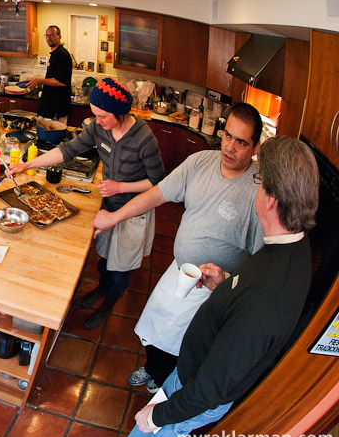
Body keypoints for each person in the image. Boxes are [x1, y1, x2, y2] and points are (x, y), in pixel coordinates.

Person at [126, 135, 319, 437]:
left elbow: (210, 390)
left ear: (270, 199)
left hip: (192, 391)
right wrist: (227, 281)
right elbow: (250, 303)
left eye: (260, 181)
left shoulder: (265, 297)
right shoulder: (292, 248)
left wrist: (157, 416)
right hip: (192, 371)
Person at [92, 103, 265, 392]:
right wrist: (113, 217)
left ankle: (164, 381)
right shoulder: (201, 162)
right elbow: (157, 194)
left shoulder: (259, 192)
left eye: (241, 142)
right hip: (180, 269)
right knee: (156, 322)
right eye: (227, 136)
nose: (230, 147)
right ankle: (154, 369)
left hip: (211, 286)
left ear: (255, 147)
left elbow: (262, 258)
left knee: (182, 340)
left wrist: (228, 283)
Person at [10, 78, 164, 329]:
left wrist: (121, 186)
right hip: (109, 206)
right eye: (95, 116)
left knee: (121, 266)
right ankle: (102, 289)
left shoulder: (144, 139)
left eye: (102, 116)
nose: (98, 122)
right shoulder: (99, 128)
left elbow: (158, 183)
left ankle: (109, 304)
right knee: (104, 257)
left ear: (120, 112)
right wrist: (28, 164)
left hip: (134, 210)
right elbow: (68, 150)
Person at [28, 25, 72, 124]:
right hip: (50, 107)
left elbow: (61, 81)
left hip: (56, 109)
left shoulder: (62, 55)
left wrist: (39, 80)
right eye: (47, 35)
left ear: (59, 37)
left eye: (52, 35)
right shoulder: (55, 54)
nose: (48, 38)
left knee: (53, 137)